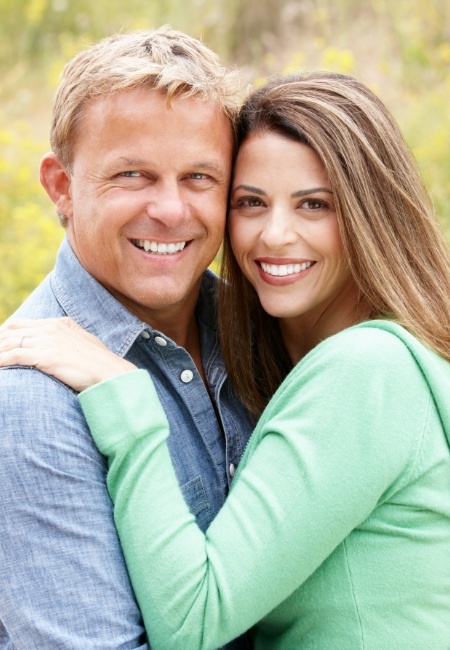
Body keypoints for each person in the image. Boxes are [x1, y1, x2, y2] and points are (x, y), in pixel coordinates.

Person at [2, 71, 450, 648]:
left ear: (370, 214)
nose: (275, 236)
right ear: (60, 186)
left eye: (315, 204)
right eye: (252, 203)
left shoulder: (365, 369)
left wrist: (126, 403)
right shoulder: (32, 397)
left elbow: (196, 620)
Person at [0, 27, 254, 649]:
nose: (170, 210)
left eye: (199, 177)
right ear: (61, 185)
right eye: (133, 175)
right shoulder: (31, 404)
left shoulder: (258, 333)